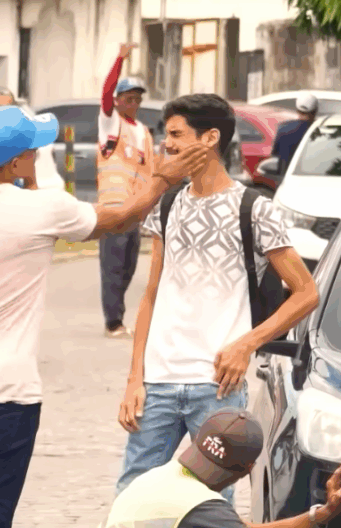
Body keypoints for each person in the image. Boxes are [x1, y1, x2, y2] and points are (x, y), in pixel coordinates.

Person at [0, 104, 210, 528]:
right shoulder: (43, 208)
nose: (38, 156)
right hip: (6, 397)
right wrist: (162, 178)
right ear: (17, 162)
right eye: (33, 151)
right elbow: (121, 218)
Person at [116, 93, 319, 505]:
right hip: (157, 384)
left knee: (210, 505)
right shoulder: (167, 204)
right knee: (133, 498)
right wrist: (134, 377)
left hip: (217, 388)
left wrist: (246, 344)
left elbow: (306, 293)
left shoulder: (255, 209)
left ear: (209, 138)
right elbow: (151, 294)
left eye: (175, 134)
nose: (166, 144)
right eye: (165, 135)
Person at [100, 408, 341, 528]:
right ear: (247, 470)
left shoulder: (165, 478)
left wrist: (320, 515)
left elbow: (242, 527)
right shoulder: (201, 506)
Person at [97, 43, 156, 338]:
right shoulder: (111, 123)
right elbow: (105, 94)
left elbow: (150, 171)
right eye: (127, 98)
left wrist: (150, 207)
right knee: (113, 266)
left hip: (135, 209)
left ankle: (116, 314)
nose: (133, 103)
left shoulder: (143, 131)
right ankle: (113, 321)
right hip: (113, 205)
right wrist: (119, 58)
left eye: (137, 99)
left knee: (129, 265)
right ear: (118, 101)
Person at [271, 93, 318, 174]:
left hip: (286, 178)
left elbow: (275, 154)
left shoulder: (283, 128)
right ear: (315, 111)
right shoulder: (319, 130)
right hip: (314, 177)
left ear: (297, 110)